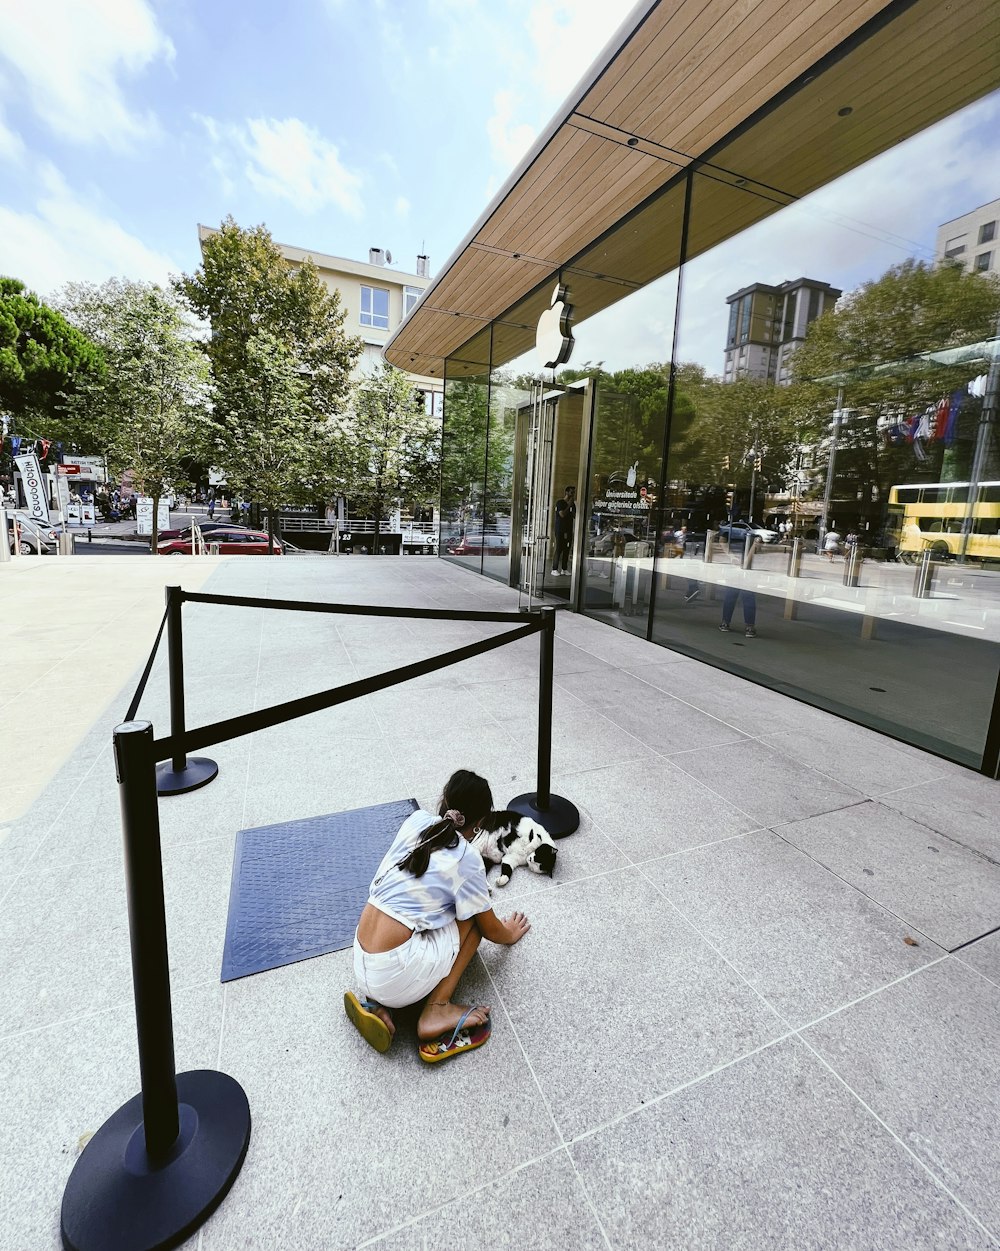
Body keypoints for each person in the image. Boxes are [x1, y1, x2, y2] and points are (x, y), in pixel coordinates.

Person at [345, 769, 530, 1063]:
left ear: (443, 800)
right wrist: (509, 932)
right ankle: (437, 1008)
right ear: (480, 823)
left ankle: (381, 1005)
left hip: (361, 957)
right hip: (394, 971)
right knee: (474, 915)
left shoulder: (415, 821)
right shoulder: (467, 859)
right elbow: (491, 929)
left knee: (422, 912)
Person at [552, 485, 576, 576]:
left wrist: (573, 506)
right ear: (566, 492)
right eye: (571, 492)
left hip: (569, 529)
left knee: (567, 549)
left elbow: (574, 515)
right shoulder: (560, 502)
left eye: (574, 492)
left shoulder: (572, 504)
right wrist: (569, 505)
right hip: (560, 529)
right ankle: (554, 568)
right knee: (559, 549)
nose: (573, 494)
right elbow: (561, 514)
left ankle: (564, 568)